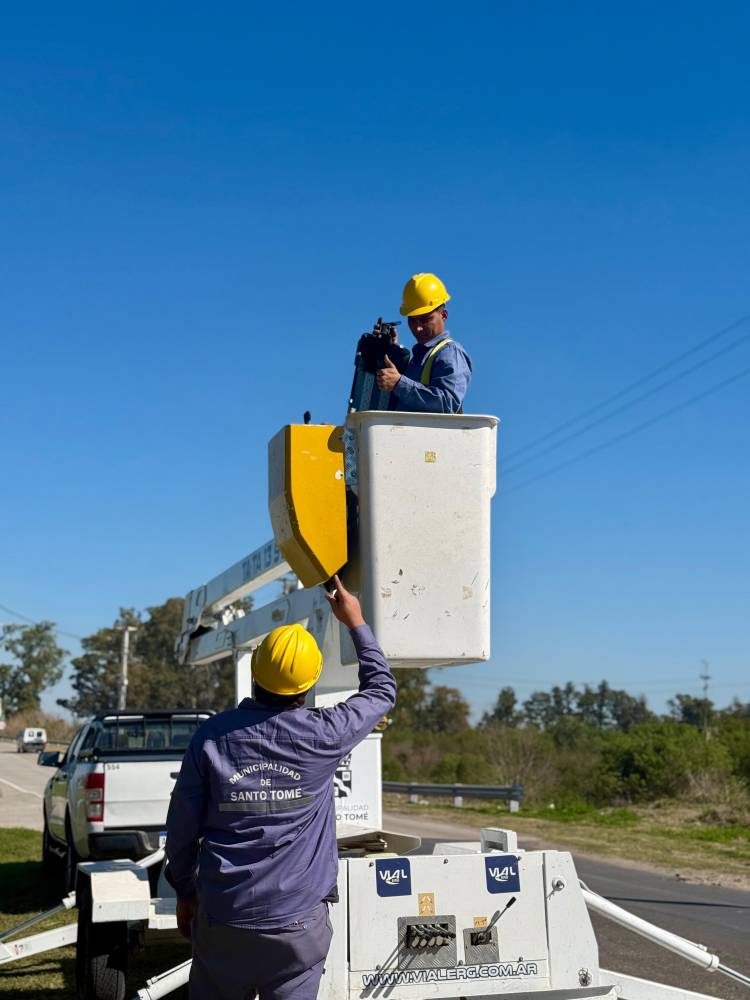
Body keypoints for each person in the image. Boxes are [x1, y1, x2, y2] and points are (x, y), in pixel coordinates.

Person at [164, 575, 395, 1000]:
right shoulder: (325, 733)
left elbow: (181, 829)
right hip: (298, 925)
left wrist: (184, 890)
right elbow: (381, 690)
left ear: (255, 671)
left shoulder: (212, 737)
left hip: (224, 918)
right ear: (309, 684)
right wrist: (356, 621)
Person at [376, 272, 472, 413]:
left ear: (444, 315)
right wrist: (393, 350)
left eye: (425, 319)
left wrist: (399, 383)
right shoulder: (420, 358)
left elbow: (448, 404)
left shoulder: (450, 352)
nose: (418, 327)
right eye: (412, 320)